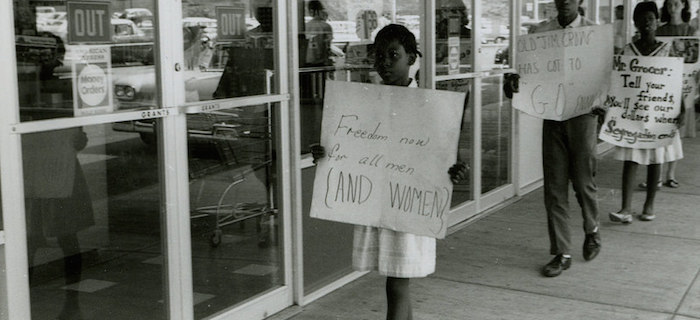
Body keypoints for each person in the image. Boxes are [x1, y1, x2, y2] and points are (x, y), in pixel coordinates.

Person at [311, 24, 467, 320]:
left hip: (408, 206)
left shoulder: (430, 105)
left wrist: (455, 170)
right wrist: (327, 152)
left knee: (397, 284)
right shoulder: (361, 104)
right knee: (395, 283)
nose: (384, 63)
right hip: (377, 203)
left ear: (411, 58)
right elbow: (349, 148)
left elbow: (444, 157)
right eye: (379, 56)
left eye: (393, 55)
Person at [503, 0, 601, 278]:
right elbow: (524, 74)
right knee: (555, 187)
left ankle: (592, 230)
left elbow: (605, 78)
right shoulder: (539, 34)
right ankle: (562, 252)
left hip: (583, 116)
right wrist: (512, 83)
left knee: (583, 183)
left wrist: (603, 101)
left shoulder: (594, 35)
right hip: (553, 117)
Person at [609, 1, 685, 224]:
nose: (646, 23)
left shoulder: (667, 50)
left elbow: (676, 82)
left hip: (660, 112)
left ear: (657, 21)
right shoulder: (627, 51)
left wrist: (680, 107)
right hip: (633, 115)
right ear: (635, 23)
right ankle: (625, 208)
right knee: (630, 160)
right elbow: (618, 84)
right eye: (641, 19)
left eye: (650, 18)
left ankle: (649, 205)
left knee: (655, 159)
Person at [637, 0, 694, 190]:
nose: (672, 7)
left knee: (674, 130)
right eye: (669, 4)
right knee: (658, 132)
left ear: (684, 6)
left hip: (684, 80)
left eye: (677, 4)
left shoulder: (690, 29)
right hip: (661, 86)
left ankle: (670, 174)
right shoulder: (660, 30)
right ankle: (657, 176)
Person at [304, 0, 333, 67]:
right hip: (321, 61)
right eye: (323, 9)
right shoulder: (326, 26)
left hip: (307, 61)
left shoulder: (305, 26)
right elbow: (328, 46)